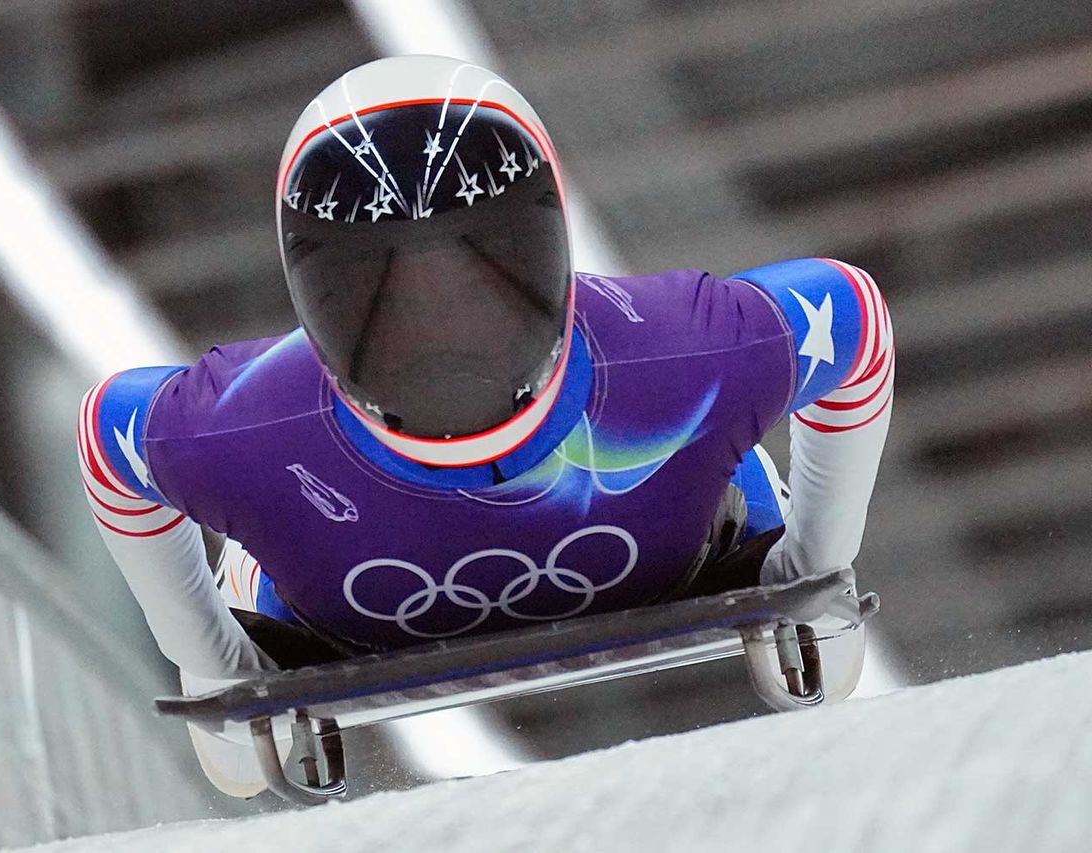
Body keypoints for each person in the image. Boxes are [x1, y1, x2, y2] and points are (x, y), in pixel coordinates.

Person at [76, 55, 893, 796]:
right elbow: (853, 316)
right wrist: (816, 556)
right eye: (387, 295)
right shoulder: (690, 353)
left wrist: (209, 657)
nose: (442, 333)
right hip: (653, 544)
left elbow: (109, 439)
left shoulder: (687, 352)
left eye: (477, 274)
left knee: (235, 763)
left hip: (353, 590)